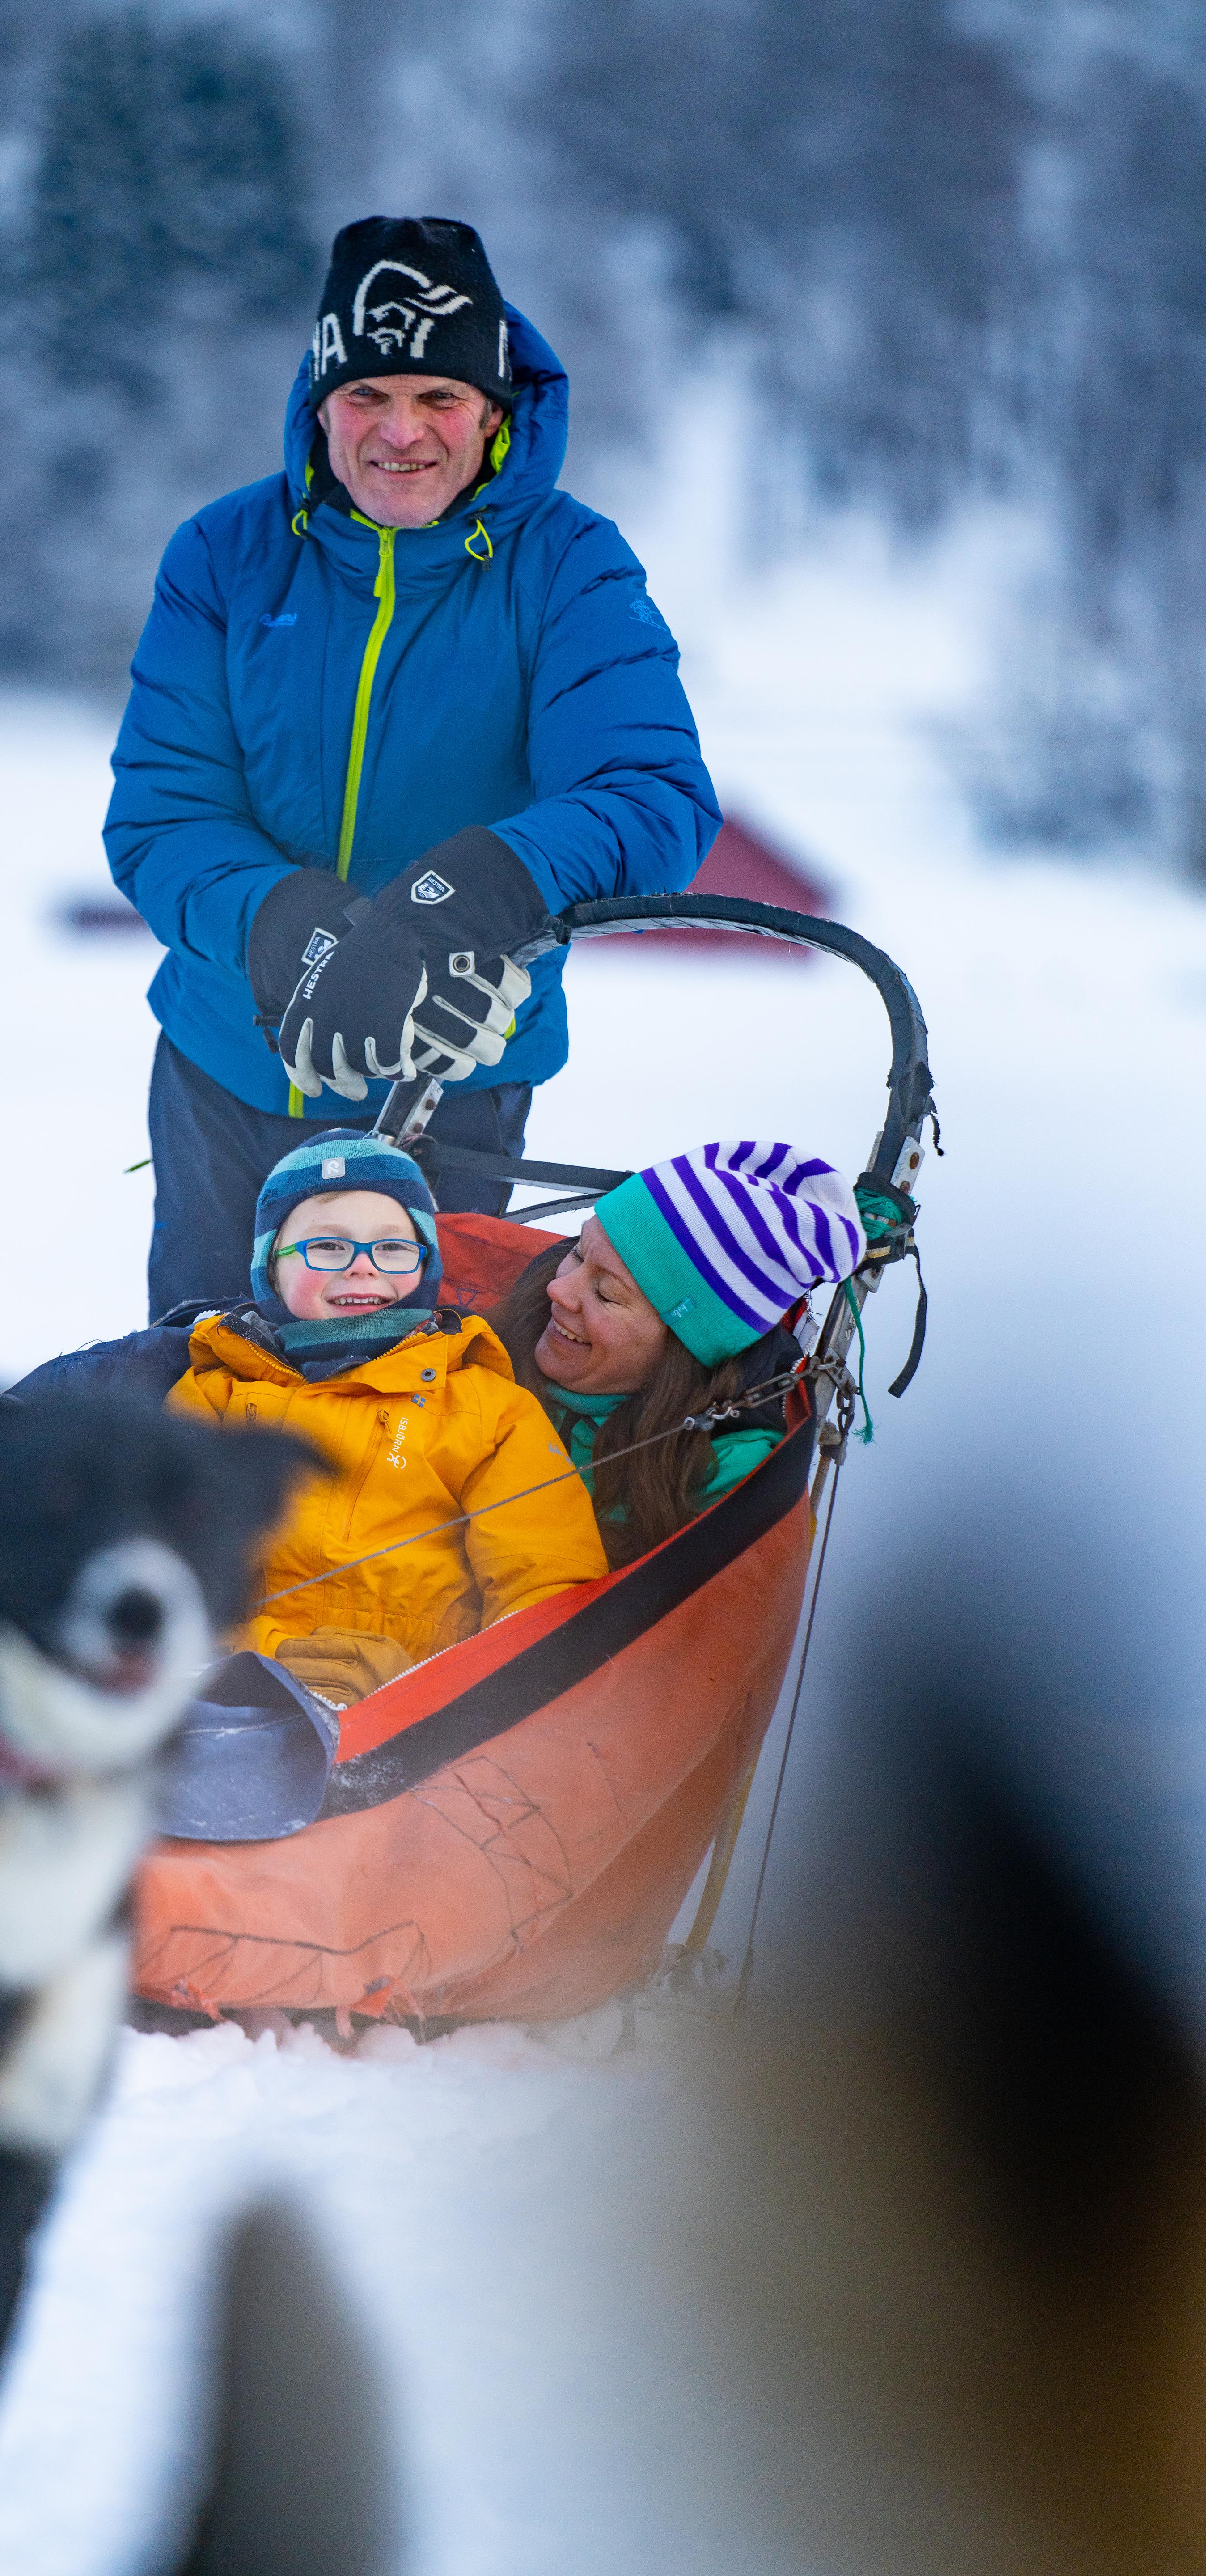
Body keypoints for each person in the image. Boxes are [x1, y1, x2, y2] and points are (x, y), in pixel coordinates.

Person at [106, 213, 721, 1321]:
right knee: (201, 1410)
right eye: (368, 397)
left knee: (415, 1434)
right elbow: (162, 814)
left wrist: (462, 890)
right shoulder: (223, 553)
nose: (402, 433)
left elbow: (651, 795)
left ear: (494, 411)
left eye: (438, 398)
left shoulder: (570, 563)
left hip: (452, 1089)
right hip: (224, 1081)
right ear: (320, 403)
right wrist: (291, 922)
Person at [165, 1129, 607, 1705]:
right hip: (233, 1705)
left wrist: (439, 1697)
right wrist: (255, 1660)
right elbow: (159, 1571)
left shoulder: (485, 1406)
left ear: (426, 1266)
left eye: (394, 1248)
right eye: (327, 1247)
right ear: (269, 1265)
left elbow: (546, 1586)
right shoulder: (215, 1397)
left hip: (422, 1726)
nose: (363, 1268)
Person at [489, 1144, 868, 1565]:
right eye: (577, 1253)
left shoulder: (727, 1480)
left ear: (685, 1348)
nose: (558, 1290)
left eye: (607, 1294)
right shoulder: (493, 1333)